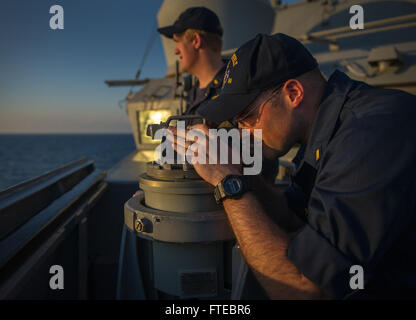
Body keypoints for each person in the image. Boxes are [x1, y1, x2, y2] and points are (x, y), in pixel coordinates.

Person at [168, 33, 416, 299]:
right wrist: (238, 171)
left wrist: (227, 181)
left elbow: (304, 289)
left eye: (247, 117)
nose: (242, 131)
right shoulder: (322, 131)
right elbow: (293, 214)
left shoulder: (371, 132)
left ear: (293, 93)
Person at [157, 7, 226, 119]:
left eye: (177, 42)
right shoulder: (193, 92)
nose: (175, 51)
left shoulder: (235, 90)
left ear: (196, 41)